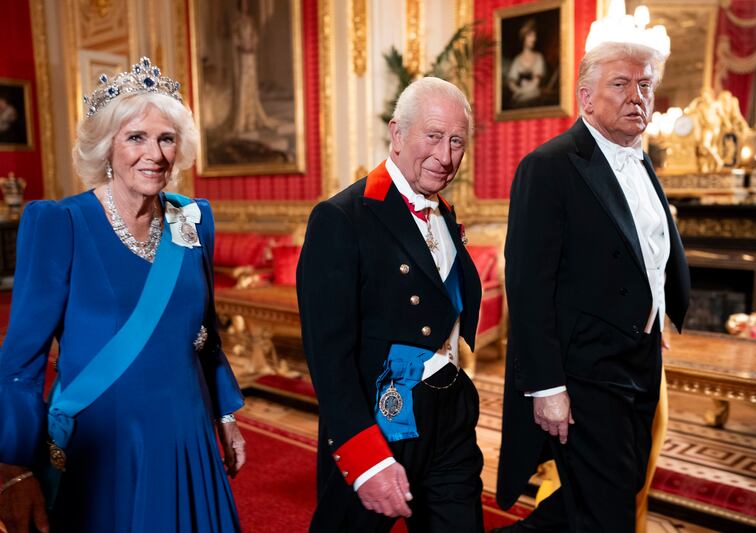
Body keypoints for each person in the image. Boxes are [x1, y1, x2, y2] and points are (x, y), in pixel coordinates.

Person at [0, 57, 246, 532]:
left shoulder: (193, 222)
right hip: (105, 447)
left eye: (166, 138)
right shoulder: (60, 224)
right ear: (106, 147)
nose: (153, 153)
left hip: (185, 435)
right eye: (135, 137)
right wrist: (12, 467)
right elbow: (20, 365)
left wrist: (225, 412)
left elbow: (205, 334)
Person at [495, 42, 690, 532]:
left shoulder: (639, 160)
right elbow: (527, 284)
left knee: (607, 495)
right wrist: (546, 386)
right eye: (620, 84)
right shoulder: (550, 166)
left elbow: (644, 250)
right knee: (610, 511)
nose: (637, 97)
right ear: (585, 98)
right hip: (583, 370)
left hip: (640, 359)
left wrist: (657, 308)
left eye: (645, 85)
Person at [297, 77, 484, 532]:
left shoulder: (444, 211)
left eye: (457, 141)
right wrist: (364, 457)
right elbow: (329, 359)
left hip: (449, 413)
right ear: (397, 134)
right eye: (434, 136)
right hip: (379, 419)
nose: (445, 156)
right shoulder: (343, 217)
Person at [506, 19, 547, 106]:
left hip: (533, 95)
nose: (533, 39)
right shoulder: (517, 60)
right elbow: (511, 83)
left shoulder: (538, 58)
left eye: (534, 36)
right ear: (524, 37)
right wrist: (518, 90)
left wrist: (520, 92)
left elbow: (535, 83)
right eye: (530, 36)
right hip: (519, 98)